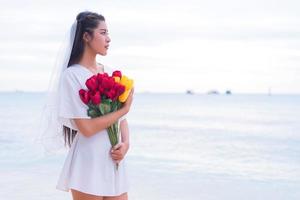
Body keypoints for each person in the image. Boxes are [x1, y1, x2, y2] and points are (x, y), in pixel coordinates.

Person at [42, 11, 134, 200]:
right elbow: (87, 128)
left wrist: (125, 144)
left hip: (114, 160)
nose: (108, 39)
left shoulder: (110, 73)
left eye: (108, 33)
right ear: (86, 36)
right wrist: (124, 109)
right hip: (88, 161)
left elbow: (122, 120)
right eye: (103, 33)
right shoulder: (72, 76)